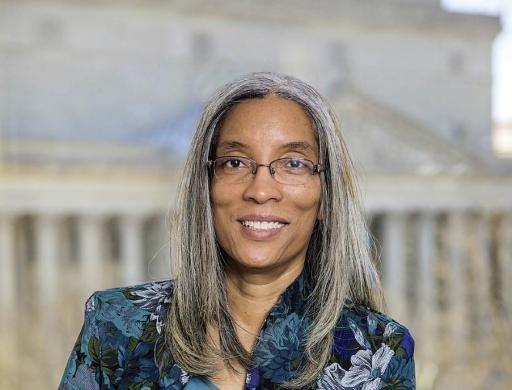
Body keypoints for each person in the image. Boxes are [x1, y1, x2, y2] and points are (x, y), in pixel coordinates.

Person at [59, 72, 415, 389]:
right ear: (207, 188)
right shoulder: (116, 326)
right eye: (235, 162)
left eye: (293, 164)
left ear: (325, 197)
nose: (260, 190)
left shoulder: (379, 351)